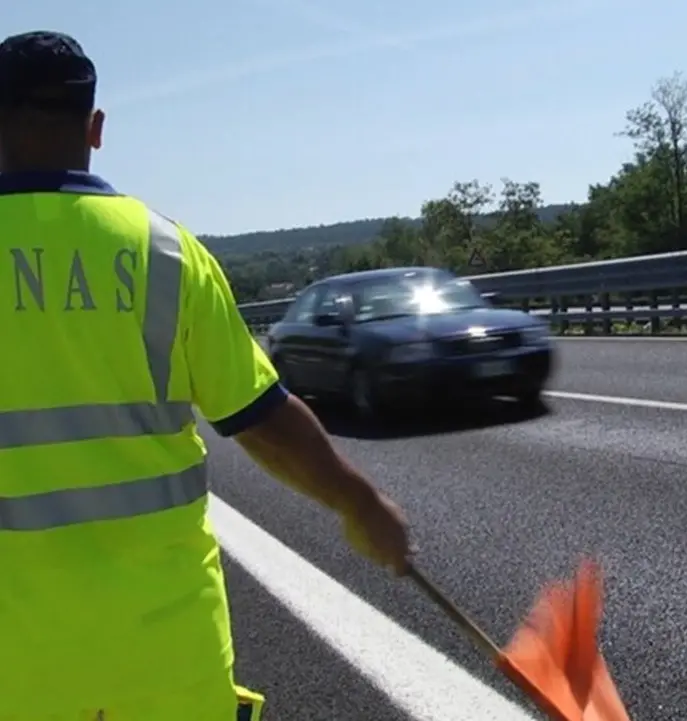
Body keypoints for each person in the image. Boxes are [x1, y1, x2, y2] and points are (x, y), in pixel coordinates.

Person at [0, 30, 414, 721]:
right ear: (95, 128)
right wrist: (358, 502)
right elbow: (264, 420)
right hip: (171, 663)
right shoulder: (167, 251)